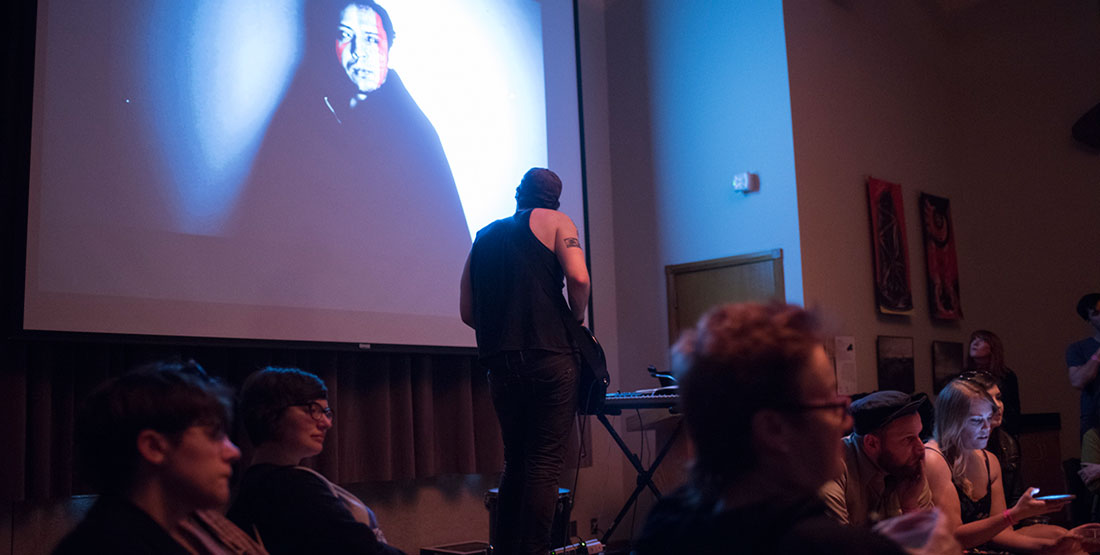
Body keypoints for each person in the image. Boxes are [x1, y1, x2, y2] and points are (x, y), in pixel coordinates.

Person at [634, 302, 945, 555]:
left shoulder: (664, 526)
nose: (846, 419)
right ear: (773, 429)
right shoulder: (825, 548)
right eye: (827, 401)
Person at [230, 0, 470, 317]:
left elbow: (445, 239)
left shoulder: (415, 135)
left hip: (403, 310)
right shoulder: (303, 120)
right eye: (346, 36)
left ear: (389, 47)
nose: (360, 52)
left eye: (371, 39)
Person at [458, 167, 589, 555]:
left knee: (515, 461)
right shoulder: (558, 222)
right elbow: (578, 279)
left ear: (518, 193)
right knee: (545, 465)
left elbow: (467, 310)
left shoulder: (484, 236)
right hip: (551, 356)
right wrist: (575, 317)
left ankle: (505, 550)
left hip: (500, 363)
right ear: (556, 199)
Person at [54, 360, 266, 555]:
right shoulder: (106, 546)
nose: (234, 452)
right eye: (214, 435)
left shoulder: (140, 536)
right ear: (154, 447)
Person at [228, 367, 403, 555]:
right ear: (270, 413)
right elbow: (365, 551)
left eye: (326, 412)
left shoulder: (255, 481)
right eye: (313, 410)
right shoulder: (292, 487)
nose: (326, 423)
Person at [924, 378, 1098, 552]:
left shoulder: (989, 460)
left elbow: (1000, 534)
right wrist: (1014, 515)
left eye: (988, 418)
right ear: (952, 420)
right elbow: (954, 537)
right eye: (977, 420)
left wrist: (1053, 547)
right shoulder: (935, 459)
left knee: (1069, 545)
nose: (987, 427)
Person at [821, 390, 935, 528]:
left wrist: (910, 509)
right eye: (908, 439)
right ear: (872, 443)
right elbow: (839, 546)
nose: (921, 448)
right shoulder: (832, 467)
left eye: (919, 435)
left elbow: (931, 543)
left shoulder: (908, 466)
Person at [960, 370, 1025, 508]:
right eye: (988, 399)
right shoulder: (955, 446)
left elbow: (1015, 499)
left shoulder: (1007, 443)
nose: (997, 406)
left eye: (999, 397)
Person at [965, 330, 1022, 436]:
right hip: (971, 433)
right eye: (973, 340)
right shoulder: (964, 377)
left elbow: (1013, 412)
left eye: (981, 340)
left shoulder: (1006, 376)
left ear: (993, 347)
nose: (975, 343)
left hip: (1000, 432)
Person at [1068, 293, 1100, 439]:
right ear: (1089, 320)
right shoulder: (1078, 348)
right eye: (1097, 313)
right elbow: (1077, 381)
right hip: (1095, 420)